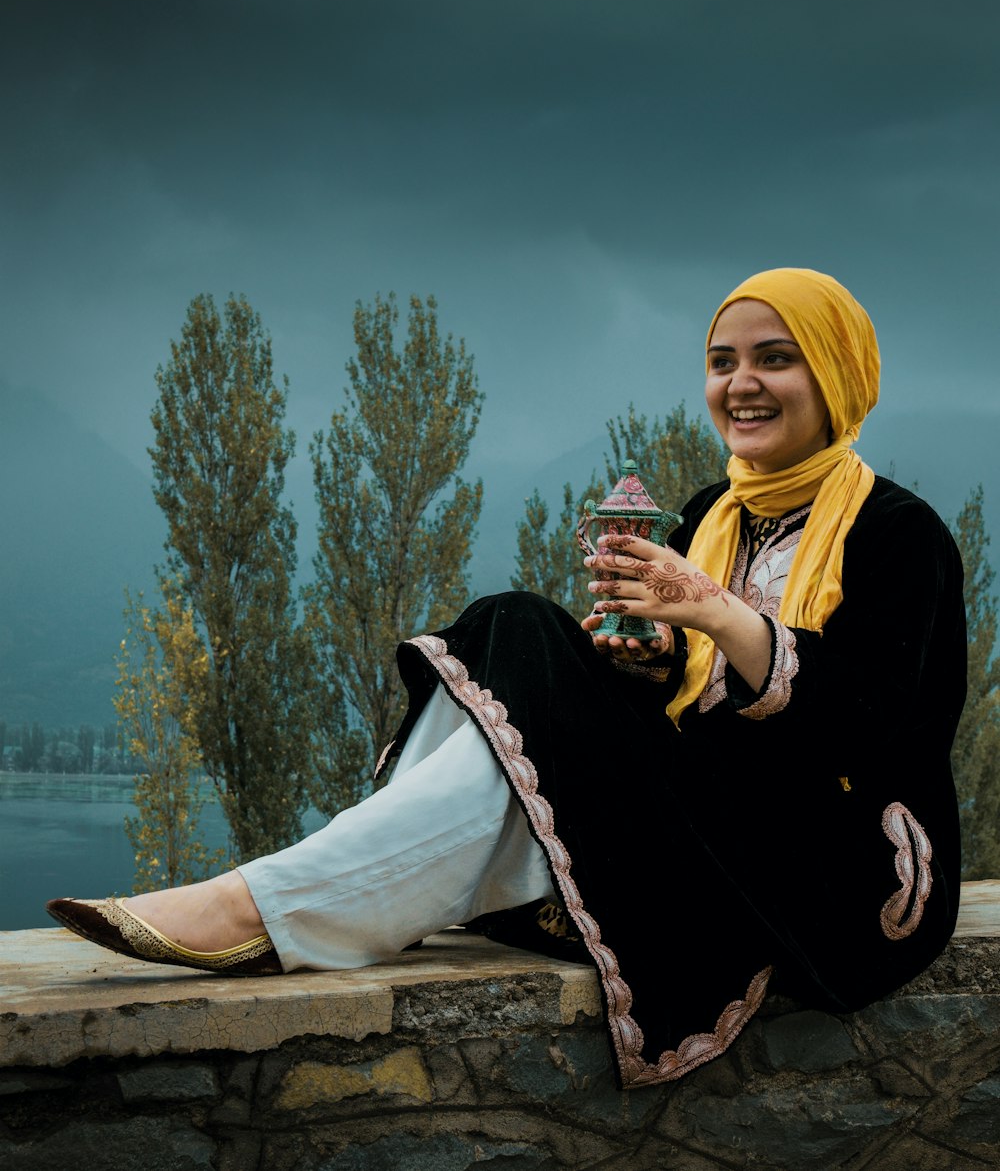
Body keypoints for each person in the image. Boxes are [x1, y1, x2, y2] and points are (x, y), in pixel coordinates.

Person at [48, 267, 966, 1090]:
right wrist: (648, 656)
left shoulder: (897, 531)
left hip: (837, 863)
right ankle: (314, 895)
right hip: (716, 805)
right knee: (517, 623)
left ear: (838, 375)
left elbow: (866, 720)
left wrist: (716, 613)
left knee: (543, 704)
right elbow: (693, 689)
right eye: (723, 361)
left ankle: (270, 905)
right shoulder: (709, 516)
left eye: (777, 359)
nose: (742, 384)